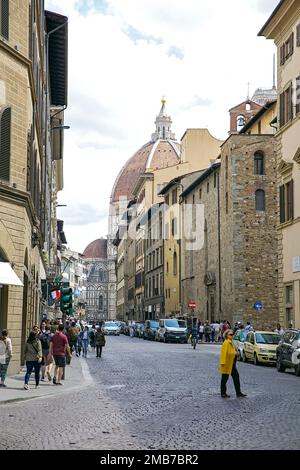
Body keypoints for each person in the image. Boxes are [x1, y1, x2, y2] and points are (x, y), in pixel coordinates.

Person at [219, 329, 247, 399]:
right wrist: (235, 353)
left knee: (236, 377)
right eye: (230, 335)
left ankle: (238, 392)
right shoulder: (226, 343)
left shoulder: (231, 342)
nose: (232, 336)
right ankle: (223, 393)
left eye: (232, 334)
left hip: (232, 363)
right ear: (226, 335)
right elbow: (225, 353)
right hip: (227, 364)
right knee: (224, 378)